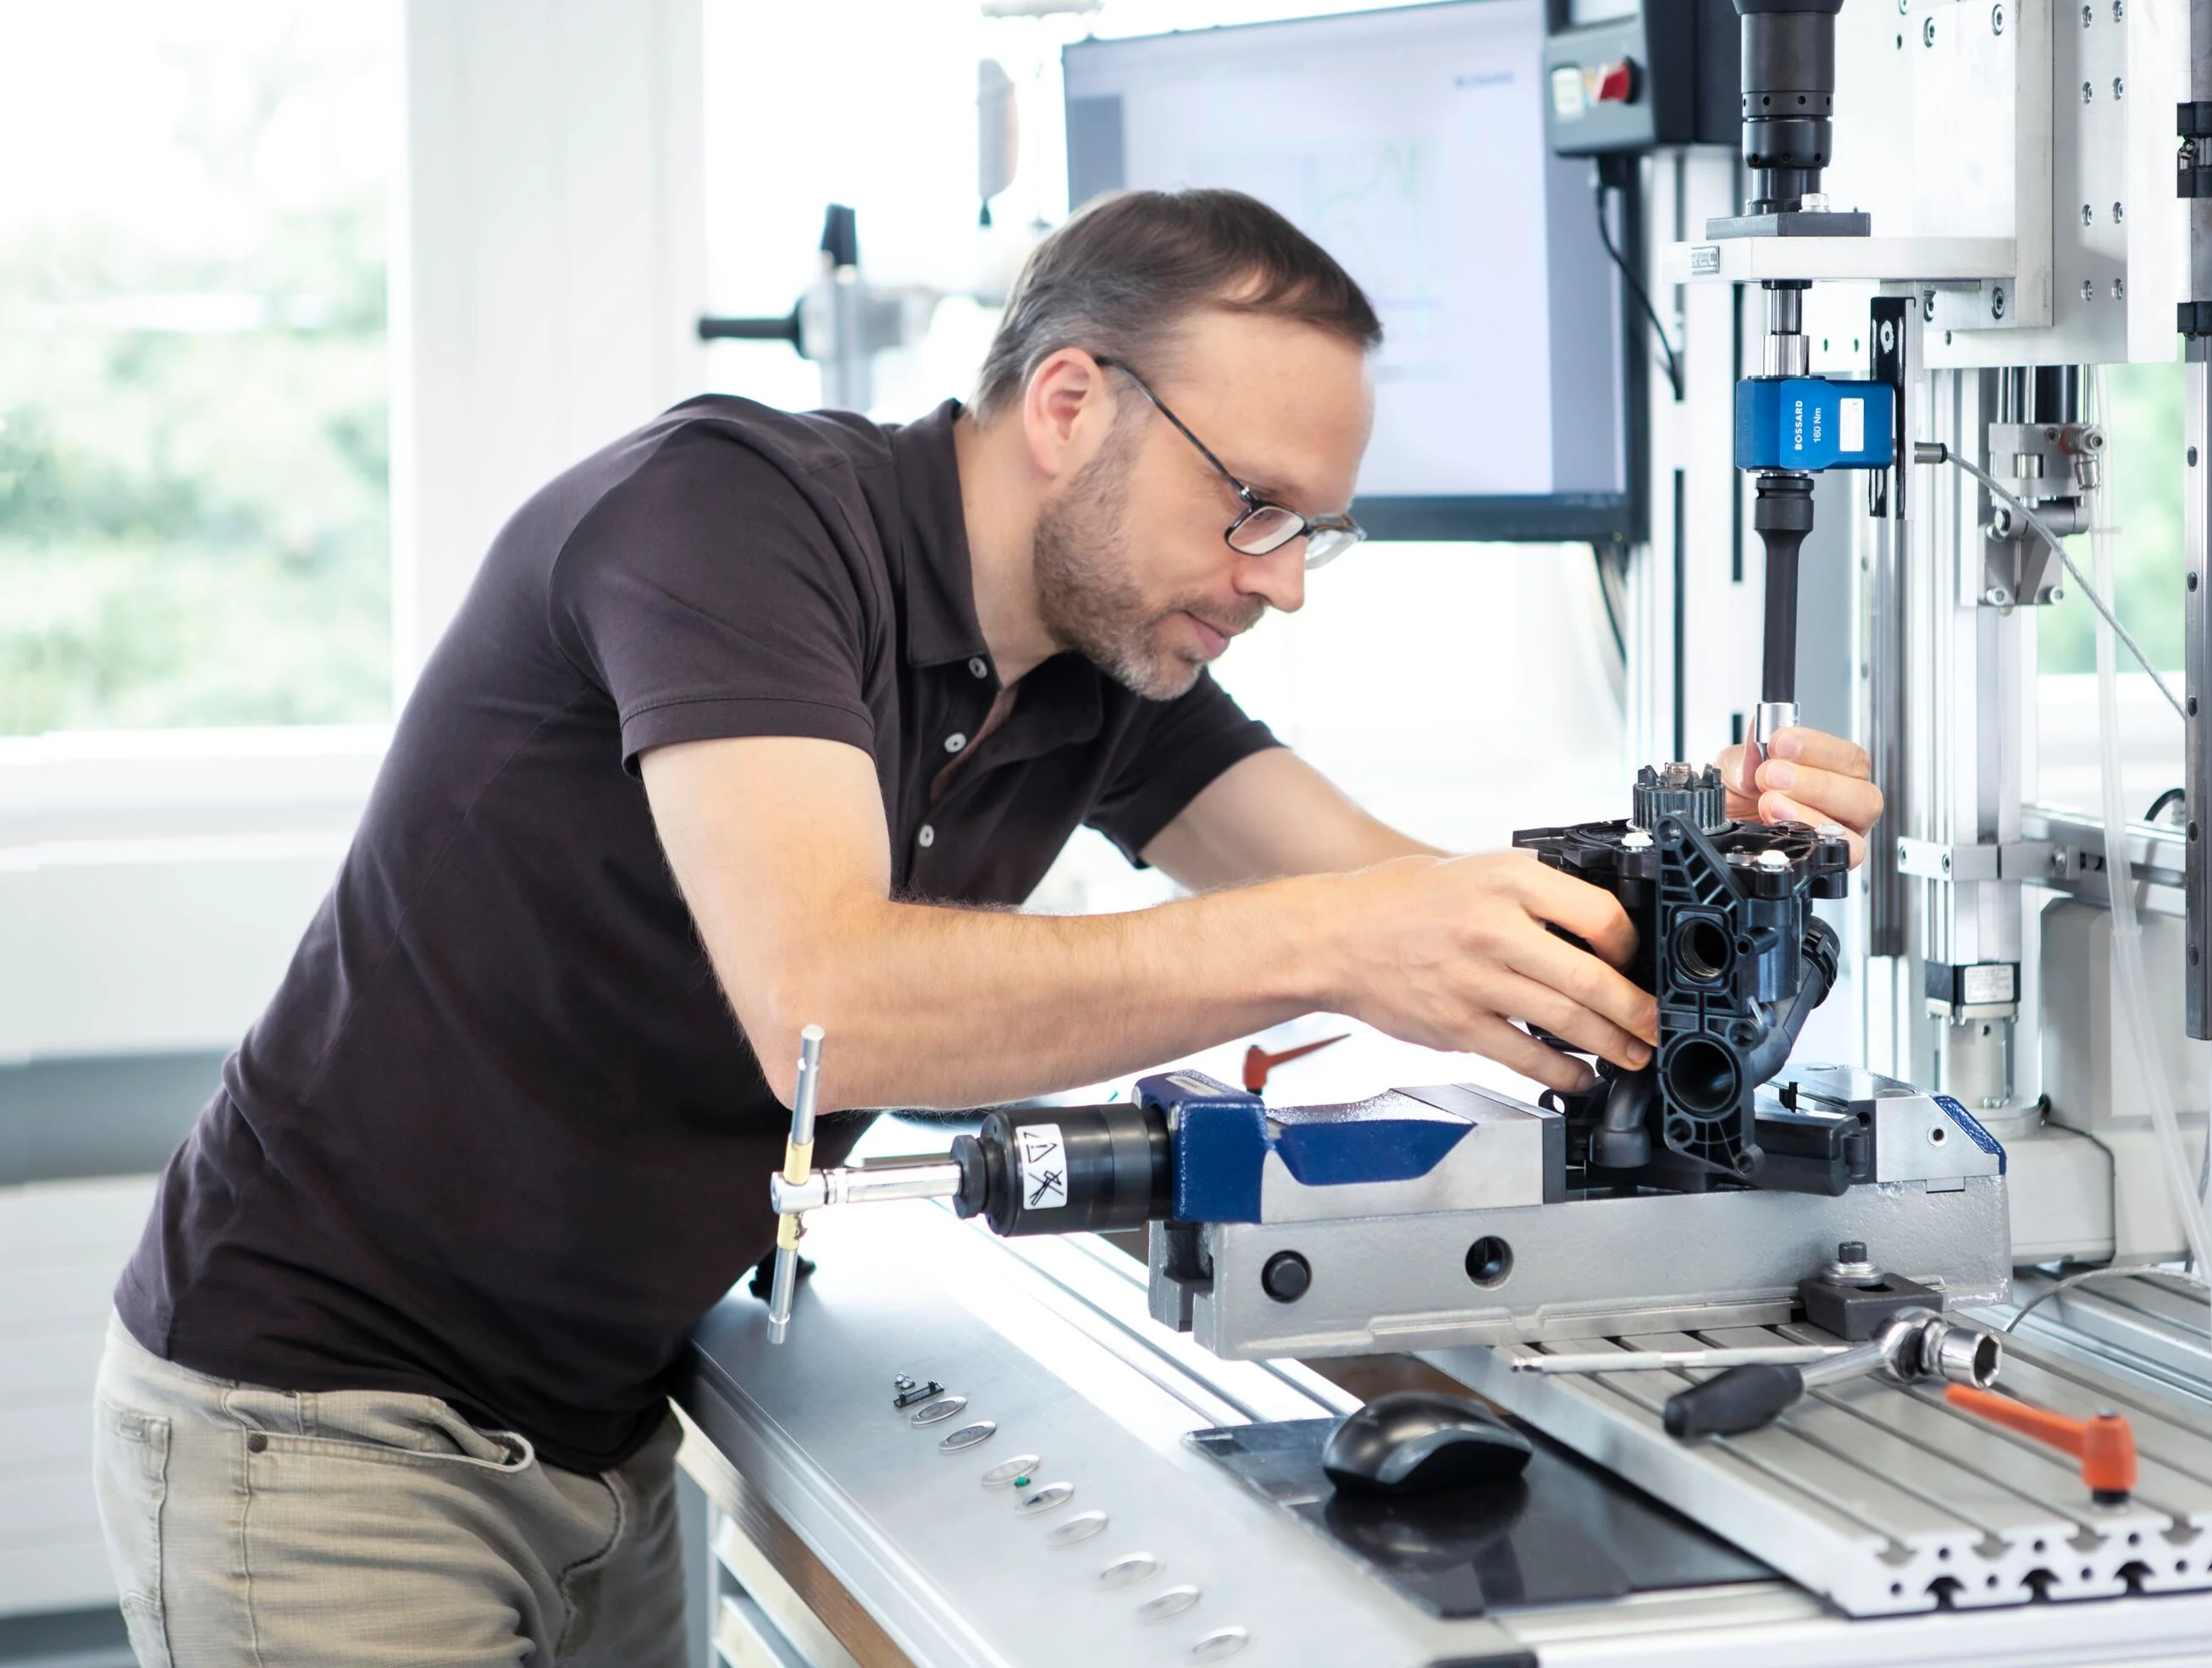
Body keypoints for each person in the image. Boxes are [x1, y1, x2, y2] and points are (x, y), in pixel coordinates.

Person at [93, 188, 1883, 1665]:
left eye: (1311, 534)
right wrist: (1343, 943)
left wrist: (1697, 877)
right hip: (326, 1426)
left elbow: (1383, 889)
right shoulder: (731, 524)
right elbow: (830, 1006)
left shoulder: (1102, 662)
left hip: (610, 1423)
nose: (1275, 578)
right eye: (1250, 503)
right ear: (1071, 405)